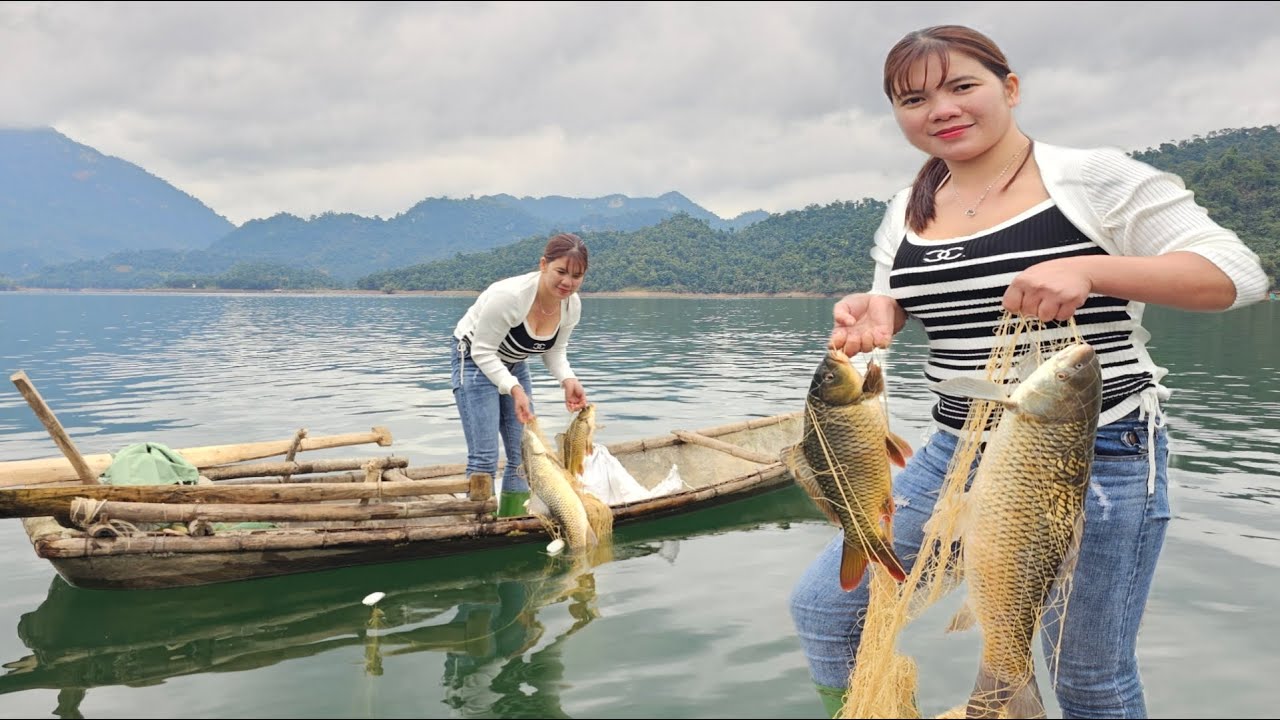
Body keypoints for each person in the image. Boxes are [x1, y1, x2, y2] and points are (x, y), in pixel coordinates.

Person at [788, 24, 1269, 719]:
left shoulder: (1092, 179)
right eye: (914, 98)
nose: (941, 109)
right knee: (826, 612)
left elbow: (1237, 275)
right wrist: (882, 314)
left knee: (1087, 676)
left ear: (1009, 89)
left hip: (1093, 450)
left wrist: (1090, 268)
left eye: (962, 86)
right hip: (956, 450)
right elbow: (900, 306)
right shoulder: (908, 211)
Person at [451, 232, 590, 517]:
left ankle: (513, 519)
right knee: (485, 455)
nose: (568, 282)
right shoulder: (510, 298)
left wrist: (568, 380)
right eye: (561, 271)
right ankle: (479, 522)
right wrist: (514, 390)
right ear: (543, 265)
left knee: (525, 455)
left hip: (514, 363)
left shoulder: (571, 306)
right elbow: (483, 352)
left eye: (577, 276)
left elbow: (554, 350)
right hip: (475, 361)